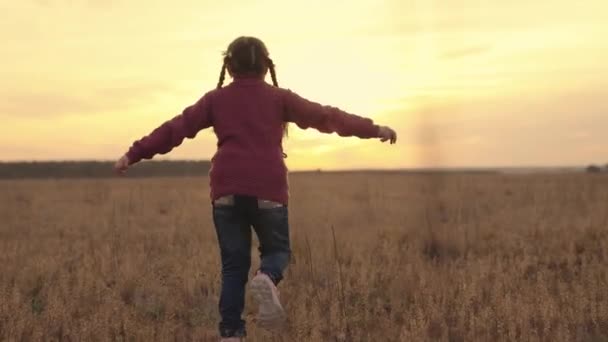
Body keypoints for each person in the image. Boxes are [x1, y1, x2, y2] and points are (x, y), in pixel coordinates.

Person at [114, 36, 397, 341]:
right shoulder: (279, 98)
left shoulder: (215, 99)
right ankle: (266, 277)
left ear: (229, 66)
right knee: (277, 251)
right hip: (268, 189)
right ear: (266, 65)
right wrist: (374, 129)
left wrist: (134, 153)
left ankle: (231, 333)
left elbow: (175, 129)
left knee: (233, 266)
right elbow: (327, 117)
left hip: (226, 191)